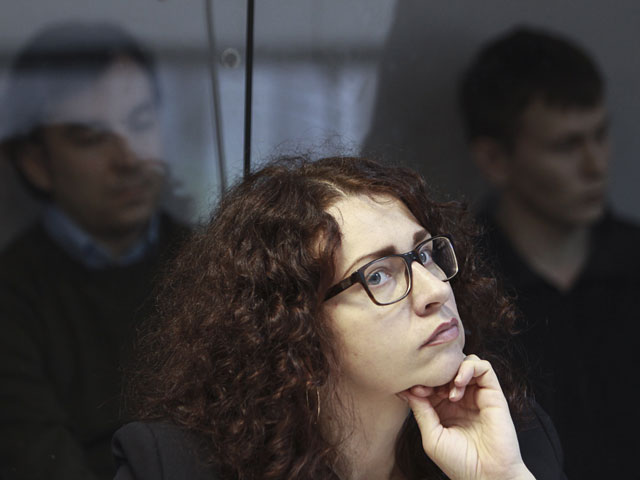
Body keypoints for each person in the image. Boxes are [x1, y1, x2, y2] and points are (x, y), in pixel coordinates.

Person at [112, 156, 566, 480]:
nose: (435, 290)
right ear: (295, 323)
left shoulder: (510, 438)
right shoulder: (173, 466)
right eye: (378, 275)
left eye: (425, 255)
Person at [0, 22, 187, 479]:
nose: (129, 157)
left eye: (141, 123)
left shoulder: (211, 263)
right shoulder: (11, 295)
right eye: (91, 137)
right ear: (36, 161)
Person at [458, 26, 640, 478]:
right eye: (567, 145)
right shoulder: (460, 290)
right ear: (495, 160)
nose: (596, 165)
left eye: (600, 135)